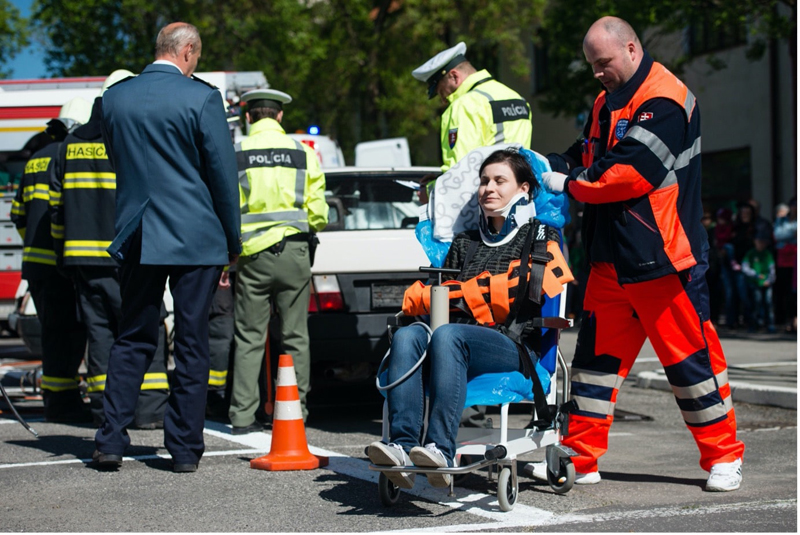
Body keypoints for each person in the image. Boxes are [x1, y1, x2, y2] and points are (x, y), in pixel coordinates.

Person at [535, 16, 745, 492]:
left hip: (665, 261)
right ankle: (581, 457)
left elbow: (629, 173)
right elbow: (587, 152)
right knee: (594, 367)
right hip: (612, 259)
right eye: (591, 65)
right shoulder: (608, 101)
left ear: (631, 49)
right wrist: (542, 164)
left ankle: (724, 457)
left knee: (692, 365)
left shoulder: (666, 98)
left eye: (602, 62)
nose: (596, 73)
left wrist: (565, 183)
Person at [93, 22, 241, 473]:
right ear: (188, 50)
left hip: (138, 231)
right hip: (196, 236)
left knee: (132, 337)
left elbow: (118, 158)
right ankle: (182, 450)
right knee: (193, 341)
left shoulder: (115, 98)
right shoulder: (201, 97)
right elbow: (221, 174)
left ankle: (110, 442)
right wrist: (231, 240)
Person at [368, 149, 560, 488]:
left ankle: (441, 449)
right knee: (408, 335)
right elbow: (428, 300)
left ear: (524, 189)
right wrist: (475, 296)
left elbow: (524, 292)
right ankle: (401, 445)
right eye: (484, 181)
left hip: (513, 345)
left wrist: (462, 295)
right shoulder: (465, 243)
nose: (488, 188)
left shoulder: (542, 236)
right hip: (457, 343)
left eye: (500, 181)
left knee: (447, 333)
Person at [51, 69, 171, 428]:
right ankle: (148, 410)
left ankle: (106, 414)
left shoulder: (68, 147)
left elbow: (57, 212)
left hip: (83, 261)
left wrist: (63, 255)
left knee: (100, 335)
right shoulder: (130, 136)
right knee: (143, 327)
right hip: (127, 253)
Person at [227, 89, 328, 431]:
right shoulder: (302, 152)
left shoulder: (236, 152)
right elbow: (318, 212)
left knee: (249, 336)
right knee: (295, 335)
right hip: (295, 252)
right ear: (280, 116)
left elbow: (226, 207)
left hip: (252, 255)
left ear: (248, 117)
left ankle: (242, 416)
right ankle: (295, 410)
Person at [11, 98, 91, 422]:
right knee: (72, 335)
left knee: (53, 335)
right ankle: (65, 405)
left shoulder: (34, 161)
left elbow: (18, 216)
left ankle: (58, 401)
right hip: (64, 264)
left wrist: (33, 245)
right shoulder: (71, 156)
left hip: (36, 267)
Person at [412, 42, 532, 173]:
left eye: (441, 91)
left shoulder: (463, 106)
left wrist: (430, 189)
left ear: (454, 76)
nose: (443, 100)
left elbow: (460, 171)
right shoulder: (518, 98)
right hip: (520, 188)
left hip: (485, 191)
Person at [741, 234, 776, 332]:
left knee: (768, 303)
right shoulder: (751, 253)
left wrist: (769, 280)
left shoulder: (767, 254)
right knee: (756, 303)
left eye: (762, 242)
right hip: (755, 282)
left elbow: (772, 270)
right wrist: (755, 275)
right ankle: (754, 324)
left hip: (767, 282)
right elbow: (745, 267)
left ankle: (770, 324)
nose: (760, 244)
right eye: (758, 241)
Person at [772, 198, 796, 332]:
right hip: (784, 260)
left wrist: (785, 235)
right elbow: (777, 235)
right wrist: (793, 233)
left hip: (795, 259)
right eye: (794, 205)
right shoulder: (782, 220)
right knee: (786, 292)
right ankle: (788, 319)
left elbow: (782, 235)